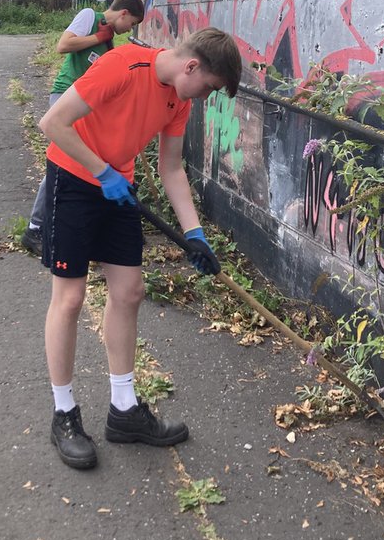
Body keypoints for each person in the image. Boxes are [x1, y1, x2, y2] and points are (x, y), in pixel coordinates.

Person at [38, 26, 242, 469]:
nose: (202, 99)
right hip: (74, 180)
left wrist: (195, 234)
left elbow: (171, 169)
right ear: (192, 66)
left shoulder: (177, 100)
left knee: (129, 291)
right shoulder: (121, 65)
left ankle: (124, 410)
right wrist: (101, 172)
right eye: (206, 88)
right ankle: (64, 414)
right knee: (70, 299)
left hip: (118, 188)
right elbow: (52, 123)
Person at [21, 0, 145, 256]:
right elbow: (63, 45)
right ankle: (35, 228)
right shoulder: (90, 17)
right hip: (66, 97)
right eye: (131, 23)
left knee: (81, 163)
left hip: (85, 105)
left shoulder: (110, 43)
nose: (129, 30)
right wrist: (96, 38)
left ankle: (81, 223)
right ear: (123, 13)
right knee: (64, 163)